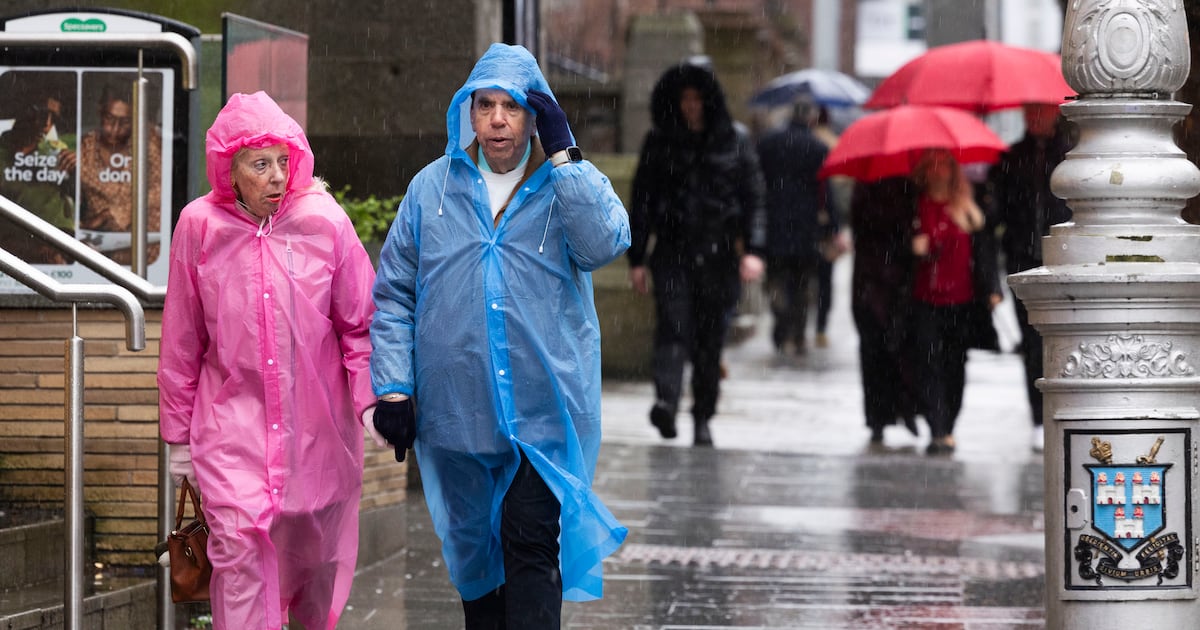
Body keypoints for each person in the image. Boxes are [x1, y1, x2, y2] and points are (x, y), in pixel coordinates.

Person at [368, 43, 630, 629]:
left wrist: (566, 158)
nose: (496, 120)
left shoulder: (562, 187)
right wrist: (393, 388)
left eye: (511, 106)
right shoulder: (430, 191)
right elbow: (394, 296)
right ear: (468, 110)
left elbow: (604, 243)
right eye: (484, 105)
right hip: (459, 416)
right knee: (475, 562)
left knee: (529, 541)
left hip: (544, 415)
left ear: (534, 114)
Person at [157, 91, 377, 630]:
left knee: (314, 567)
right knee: (240, 559)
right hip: (230, 434)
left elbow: (361, 325)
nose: (277, 175)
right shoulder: (198, 227)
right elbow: (182, 341)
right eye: (261, 164)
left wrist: (375, 401)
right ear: (229, 170)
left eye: (284, 160)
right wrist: (179, 439)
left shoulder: (325, 223)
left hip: (318, 438)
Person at [628, 60, 767, 446]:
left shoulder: (735, 140)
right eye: (684, 99)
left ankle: (702, 415)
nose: (691, 106)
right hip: (673, 251)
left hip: (720, 255)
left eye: (696, 99)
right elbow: (641, 200)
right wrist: (636, 258)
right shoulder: (660, 142)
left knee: (710, 340)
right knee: (673, 328)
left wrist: (753, 249)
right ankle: (667, 401)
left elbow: (753, 197)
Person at [990, 102, 1073, 453]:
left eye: (1041, 111)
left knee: (1062, 339)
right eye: (1030, 112)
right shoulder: (1011, 157)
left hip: (1062, 256)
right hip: (1023, 258)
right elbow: (999, 210)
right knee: (1031, 343)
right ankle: (1038, 416)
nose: (1035, 118)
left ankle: (1062, 408)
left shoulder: (1070, 156)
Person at [909, 149, 1002, 455]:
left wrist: (991, 288)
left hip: (962, 301)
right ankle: (937, 428)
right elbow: (898, 251)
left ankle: (948, 426)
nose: (938, 171)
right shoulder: (915, 207)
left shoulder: (967, 209)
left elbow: (983, 253)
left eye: (944, 164)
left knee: (955, 365)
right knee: (927, 364)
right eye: (932, 164)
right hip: (923, 300)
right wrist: (913, 247)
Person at [755, 98, 830, 358]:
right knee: (802, 282)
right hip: (805, 225)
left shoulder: (768, 143)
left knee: (775, 278)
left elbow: (757, 180)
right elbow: (825, 189)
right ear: (809, 117)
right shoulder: (818, 147)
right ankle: (796, 331)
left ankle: (781, 320)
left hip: (775, 221)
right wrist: (830, 226)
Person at [848, 176, 919, 445]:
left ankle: (900, 410)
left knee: (898, 348)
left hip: (898, 281)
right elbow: (864, 228)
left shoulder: (910, 184)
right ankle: (882, 416)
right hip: (875, 282)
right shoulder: (868, 189)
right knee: (876, 349)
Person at [78, 81, 163, 264]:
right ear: (100, 111)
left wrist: (112, 214)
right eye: (109, 119)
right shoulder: (85, 146)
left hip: (142, 246)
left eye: (124, 122)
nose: (114, 129)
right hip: (93, 243)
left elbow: (159, 191)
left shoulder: (148, 144)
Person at [0, 97, 76, 264]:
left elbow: (83, 200)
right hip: (14, 237)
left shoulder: (57, 152)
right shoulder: (3, 152)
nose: (46, 124)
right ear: (24, 113)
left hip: (59, 235)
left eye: (53, 118)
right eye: (41, 114)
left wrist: (77, 171)